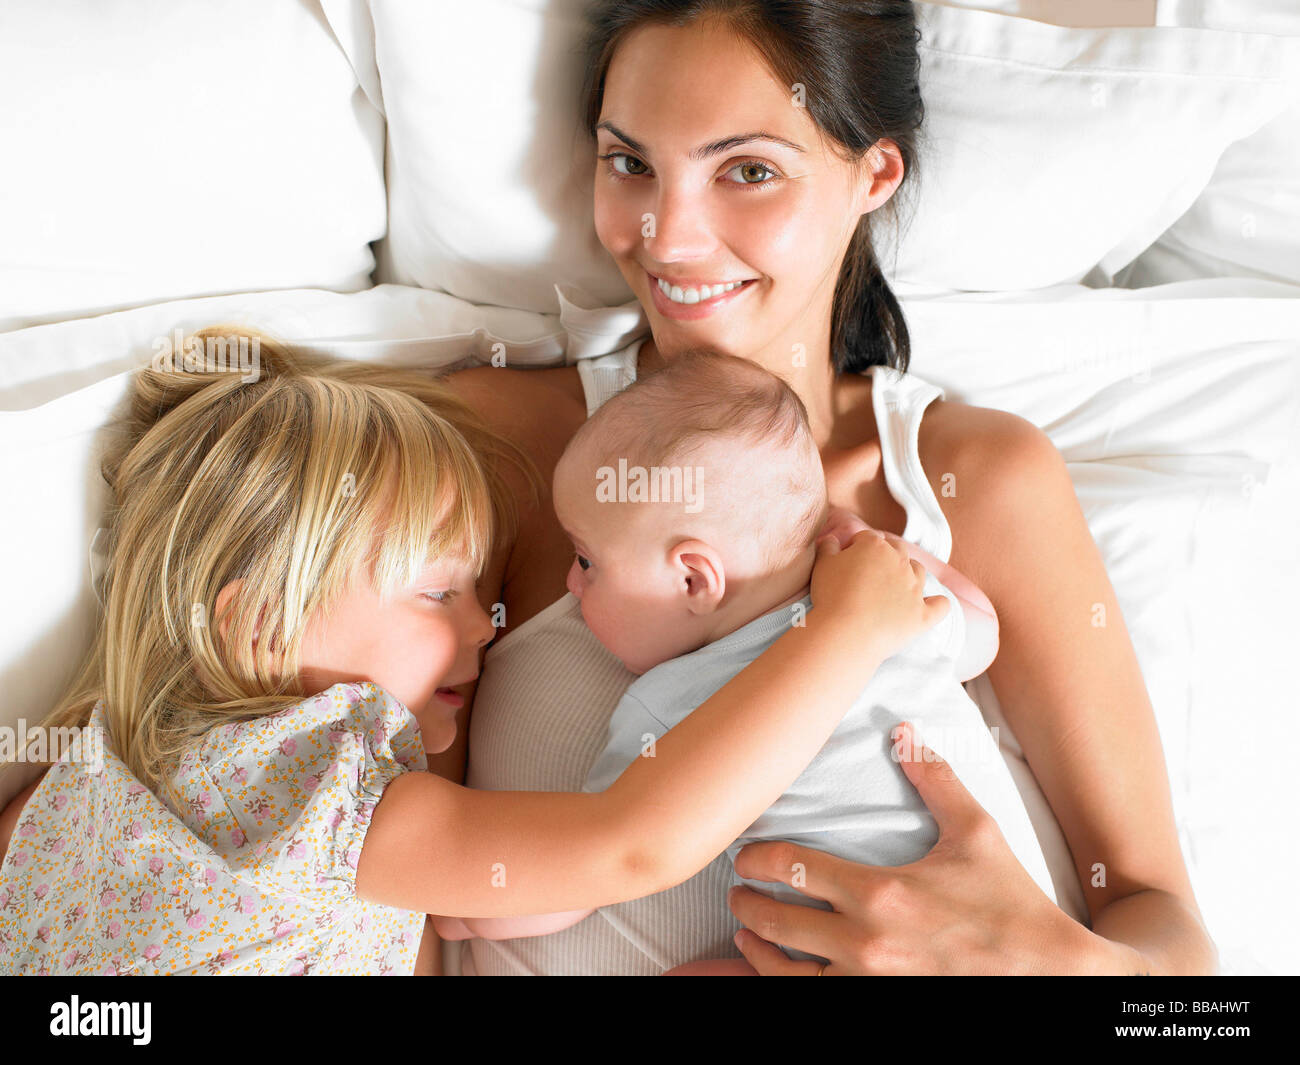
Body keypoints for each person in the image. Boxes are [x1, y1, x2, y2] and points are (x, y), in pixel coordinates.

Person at [440, 0, 1215, 975]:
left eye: (749, 170)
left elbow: (1174, 951)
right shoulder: (506, 452)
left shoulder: (969, 482)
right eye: (630, 163)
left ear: (872, 173)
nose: (669, 237)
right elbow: (377, 882)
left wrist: (1062, 966)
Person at [0, 329, 946, 975]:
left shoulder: (77, 783)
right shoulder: (315, 794)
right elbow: (631, 845)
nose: (487, 623)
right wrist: (841, 633)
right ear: (259, 626)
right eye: (435, 593)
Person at [434, 351, 1056, 972]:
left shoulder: (675, 700)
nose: (572, 585)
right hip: (1013, 923)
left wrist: (474, 912)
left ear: (695, 579)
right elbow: (981, 635)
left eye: (588, 561)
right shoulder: (888, 603)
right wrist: (883, 545)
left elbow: (597, 864)